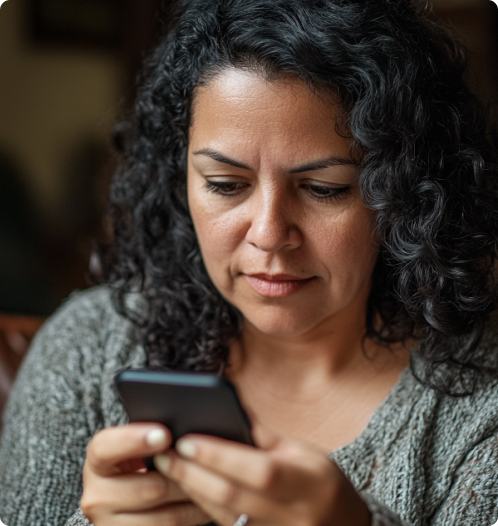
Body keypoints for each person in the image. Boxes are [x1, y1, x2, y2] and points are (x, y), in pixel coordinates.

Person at [1, 0, 498, 524]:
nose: (268, 236)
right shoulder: (86, 351)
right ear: (181, 178)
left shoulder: (480, 414)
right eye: (225, 185)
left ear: (406, 192)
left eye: (324, 190)